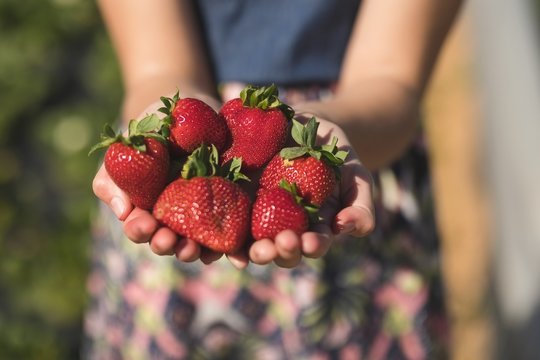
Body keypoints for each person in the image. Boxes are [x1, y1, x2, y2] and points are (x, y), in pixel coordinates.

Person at [85, 0, 462, 359]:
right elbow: (157, 70)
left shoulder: (313, 149)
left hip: (345, 179)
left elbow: (392, 80)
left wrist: (313, 136)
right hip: (177, 181)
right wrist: (164, 130)